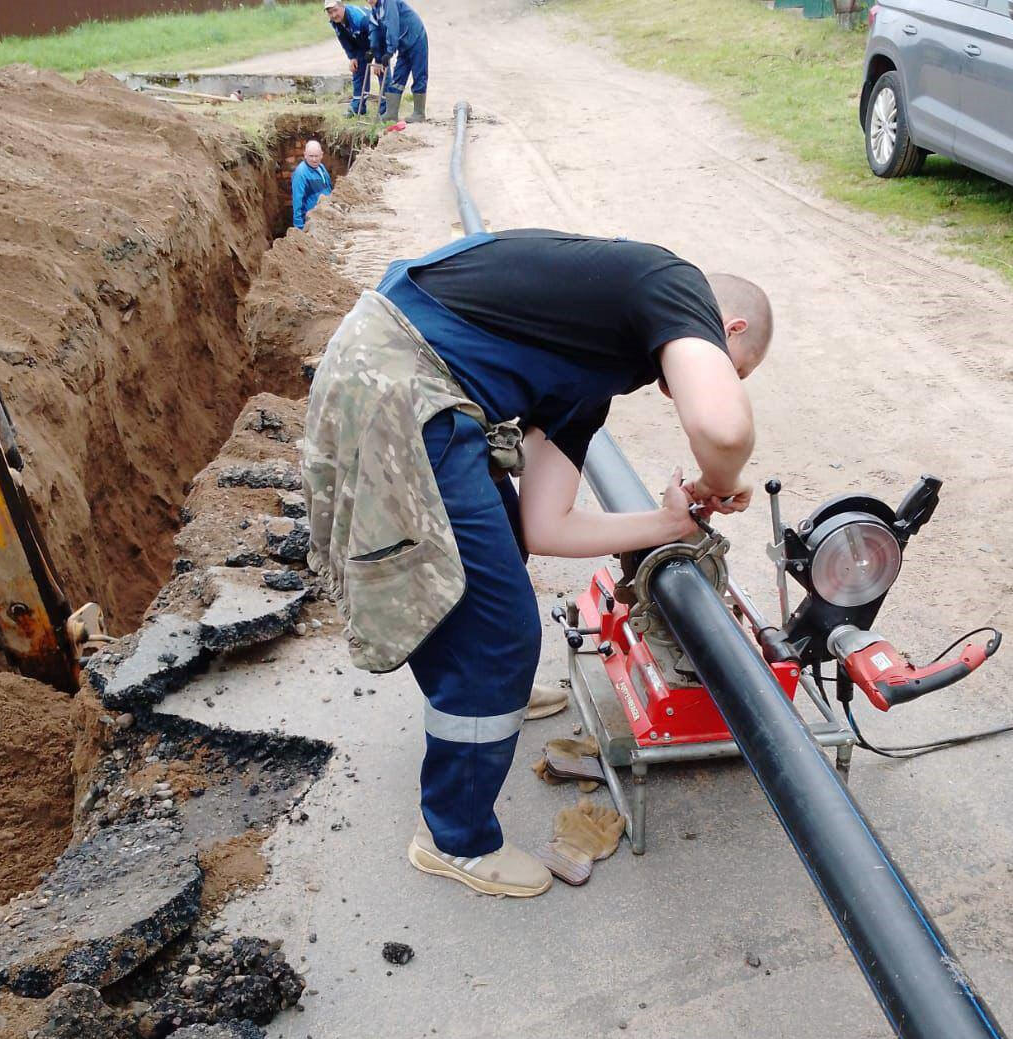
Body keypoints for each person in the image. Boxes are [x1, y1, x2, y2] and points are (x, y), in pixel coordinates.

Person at [304, 230, 772, 899]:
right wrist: (719, 483)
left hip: (417, 383)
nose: (709, 385)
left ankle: (491, 698)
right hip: (401, 382)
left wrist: (672, 523)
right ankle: (454, 838)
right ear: (727, 328)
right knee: (498, 635)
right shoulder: (674, 284)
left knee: (499, 546)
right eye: (735, 369)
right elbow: (723, 430)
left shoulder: (588, 375)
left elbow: (543, 526)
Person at [369, 0, 428, 124]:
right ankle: (391, 114)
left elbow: (392, 26)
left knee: (419, 74)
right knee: (398, 76)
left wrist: (390, 51)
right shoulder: (375, 11)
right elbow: (374, 32)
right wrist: (374, 51)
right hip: (403, 44)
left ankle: (419, 113)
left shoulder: (389, 3)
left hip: (416, 37)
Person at [324, 0, 381, 117]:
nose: (334, 15)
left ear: (342, 6)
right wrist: (352, 57)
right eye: (330, 12)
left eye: (335, 10)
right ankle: (358, 108)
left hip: (379, 39)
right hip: (362, 44)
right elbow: (344, 40)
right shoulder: (335, 22)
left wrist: (379, 59)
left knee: (381, 70)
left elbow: (379, 35)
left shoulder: (361, 18)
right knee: (357, 68)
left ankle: (387, 110)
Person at [290, 140, 333, 230]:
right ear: (305, 155)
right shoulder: (300, 174)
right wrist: (300, 228)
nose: (314, 159)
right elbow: (297, 203)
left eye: (316, 156)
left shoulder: (321, 167)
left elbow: (329, 189)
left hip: (326, 219)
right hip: (312, 223)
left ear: (321, 155)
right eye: (311, 156)